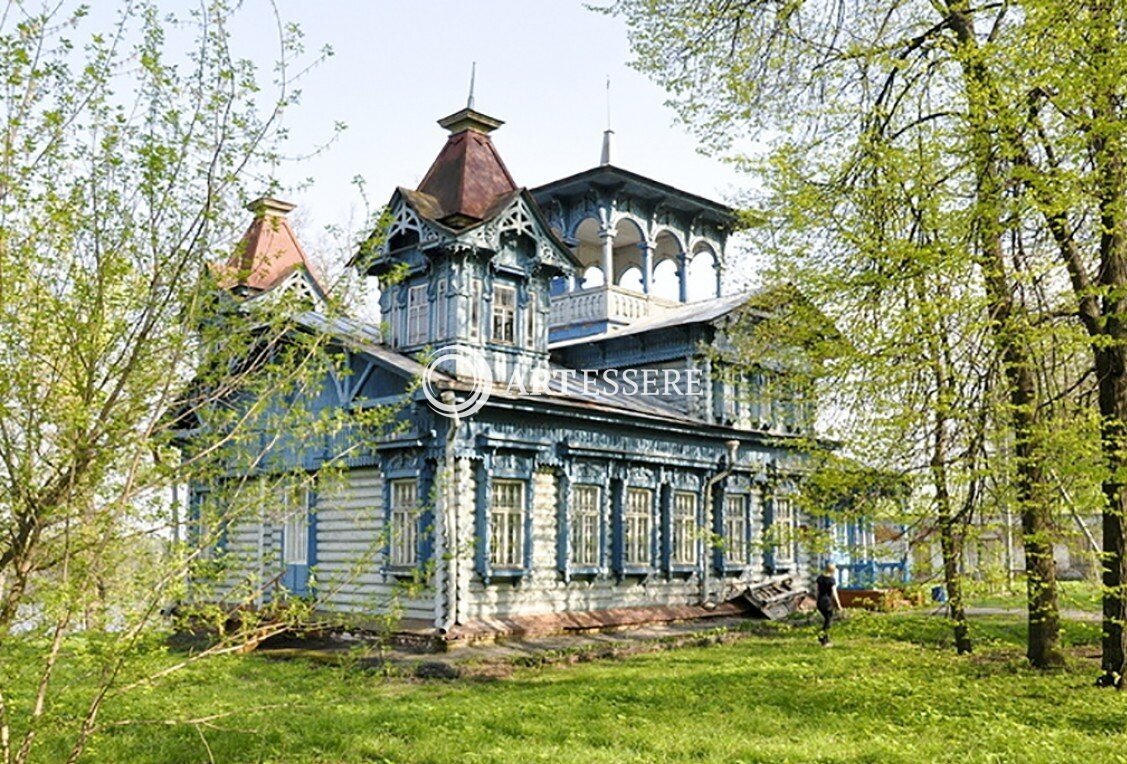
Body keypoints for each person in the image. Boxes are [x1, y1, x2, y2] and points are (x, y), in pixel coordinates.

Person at [815, 563, 843, 646]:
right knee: (829, 620)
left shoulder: (820, 578)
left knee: (827, 619)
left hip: (819, 601)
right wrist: (838, 604)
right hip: (826, 602)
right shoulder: (831, 580)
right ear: (833, 570)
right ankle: (823, 639)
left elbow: (816, 591)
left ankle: (823, 637)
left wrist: (816, 600)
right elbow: (834, 593)